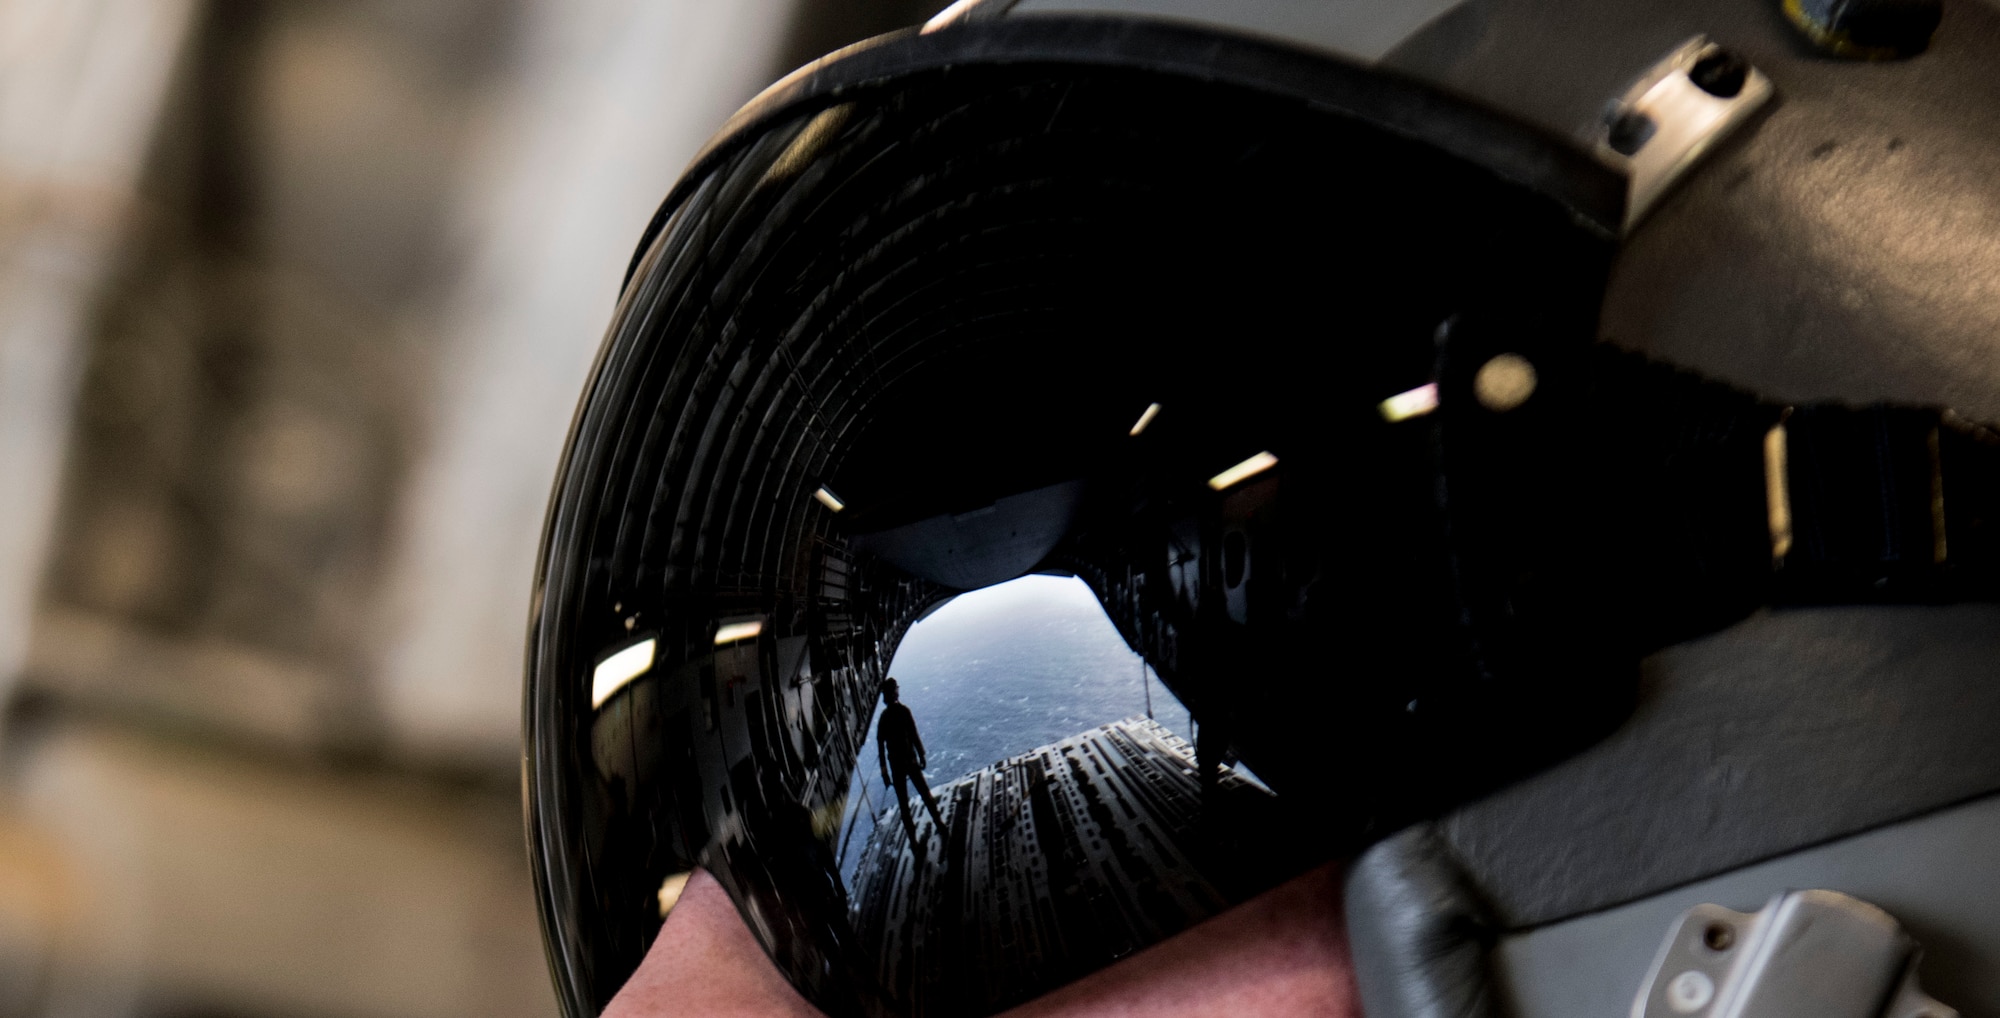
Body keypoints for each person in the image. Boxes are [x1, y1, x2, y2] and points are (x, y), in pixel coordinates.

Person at [875, 678, 947, 854]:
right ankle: (940, 825)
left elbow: (881, 747)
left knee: (904, 805)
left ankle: (914, 843)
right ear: (895, 692)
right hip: (910, 761)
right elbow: (914, 735)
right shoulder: (904, 711)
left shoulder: (884, 719)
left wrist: (885, 773)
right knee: (925, 794)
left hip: (896, 766)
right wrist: (921, 755)